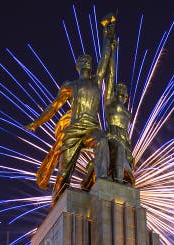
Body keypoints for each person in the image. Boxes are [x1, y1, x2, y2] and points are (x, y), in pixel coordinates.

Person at [25, 14, 116, 199]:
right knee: (64, 171)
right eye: (82, 61)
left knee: (102, 142)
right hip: (74, 130)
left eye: (88, 61)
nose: (86, 62)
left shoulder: (96, 82)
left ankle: (101, 181)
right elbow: (53, 107)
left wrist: (107, 33)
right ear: (77, 66)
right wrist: (36, 123)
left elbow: (105, 59)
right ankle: (57, 200)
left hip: (91, 127)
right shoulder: (71, 85)